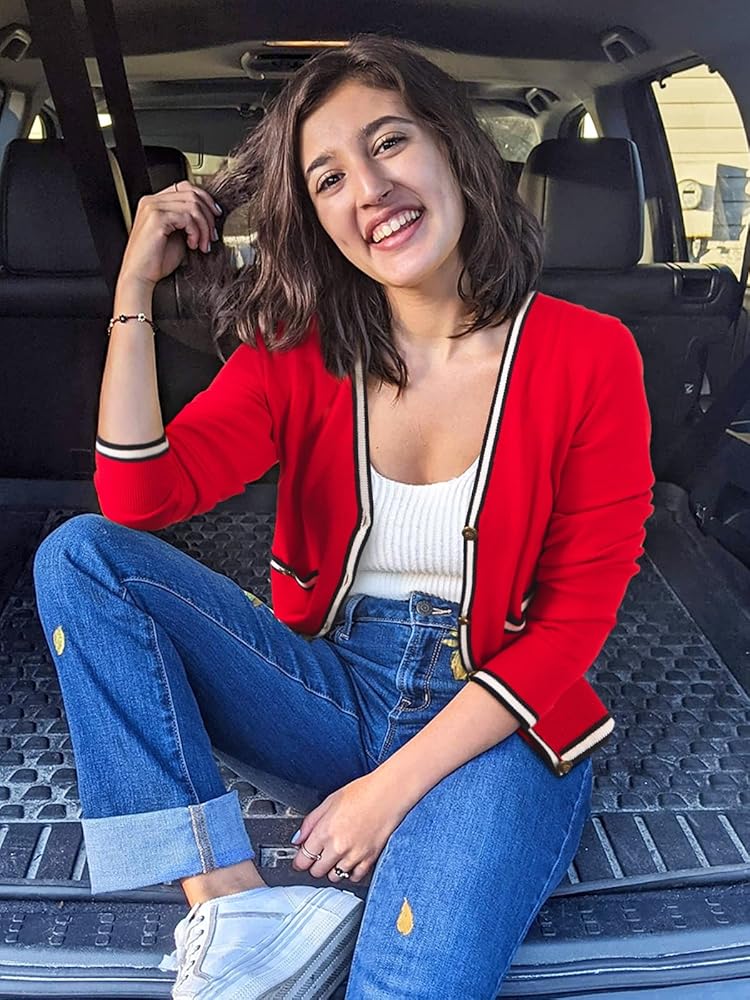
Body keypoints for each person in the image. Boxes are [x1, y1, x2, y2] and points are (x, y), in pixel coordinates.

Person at [32, 33, 655, 1000]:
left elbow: (573, 625)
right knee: (81, 557)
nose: (369, 189)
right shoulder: (298, 352)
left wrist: (384, 794)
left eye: (390, 141)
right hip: (332, 686)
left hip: (498, 723)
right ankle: (231, 905)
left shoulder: (590, 354)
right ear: (317, 219)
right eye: (328, 178)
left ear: (452, 147)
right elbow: (138, 499)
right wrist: (133, 288)